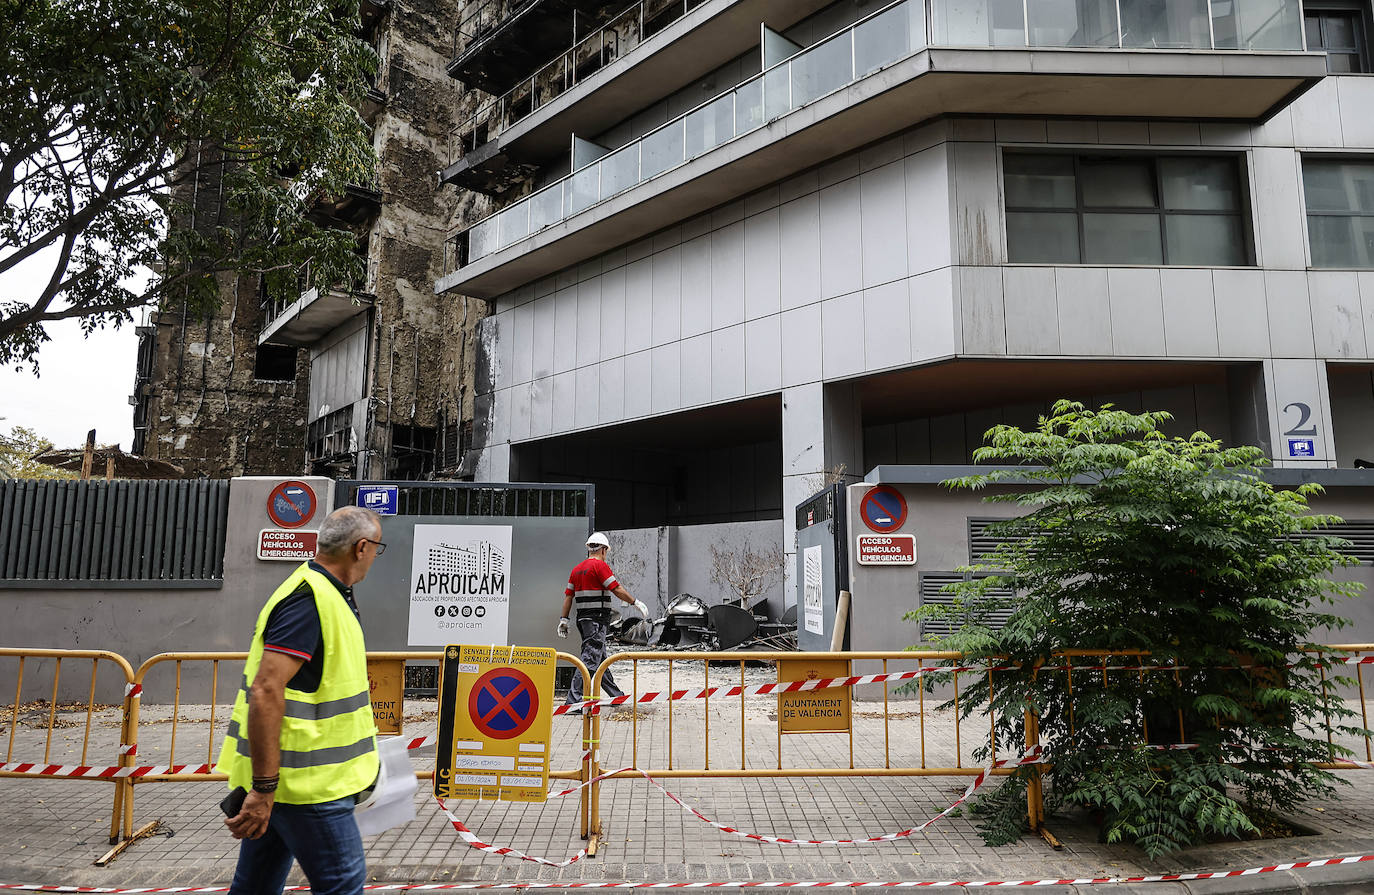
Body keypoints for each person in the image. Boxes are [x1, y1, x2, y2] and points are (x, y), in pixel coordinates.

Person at [217, 506, 385, 895]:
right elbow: (266, 689)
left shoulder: (323, 591)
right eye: (378, 547)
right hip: (307, 789)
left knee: (256, 885)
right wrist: (263, 788)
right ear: (361, 548)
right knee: (342, 885)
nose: (376, 556)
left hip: (291, 784)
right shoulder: (310, 599)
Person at [557, 531, 649, 711]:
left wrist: (564, 619)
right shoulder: (600, 567)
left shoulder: (576, 569)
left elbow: (568, 597)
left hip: (583, 619)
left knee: (600, 660)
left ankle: (616, 696)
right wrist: (634, 602)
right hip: (597, 621)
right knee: (590, 659)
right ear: (604, 550)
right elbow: (616, 588)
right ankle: (573, 702)